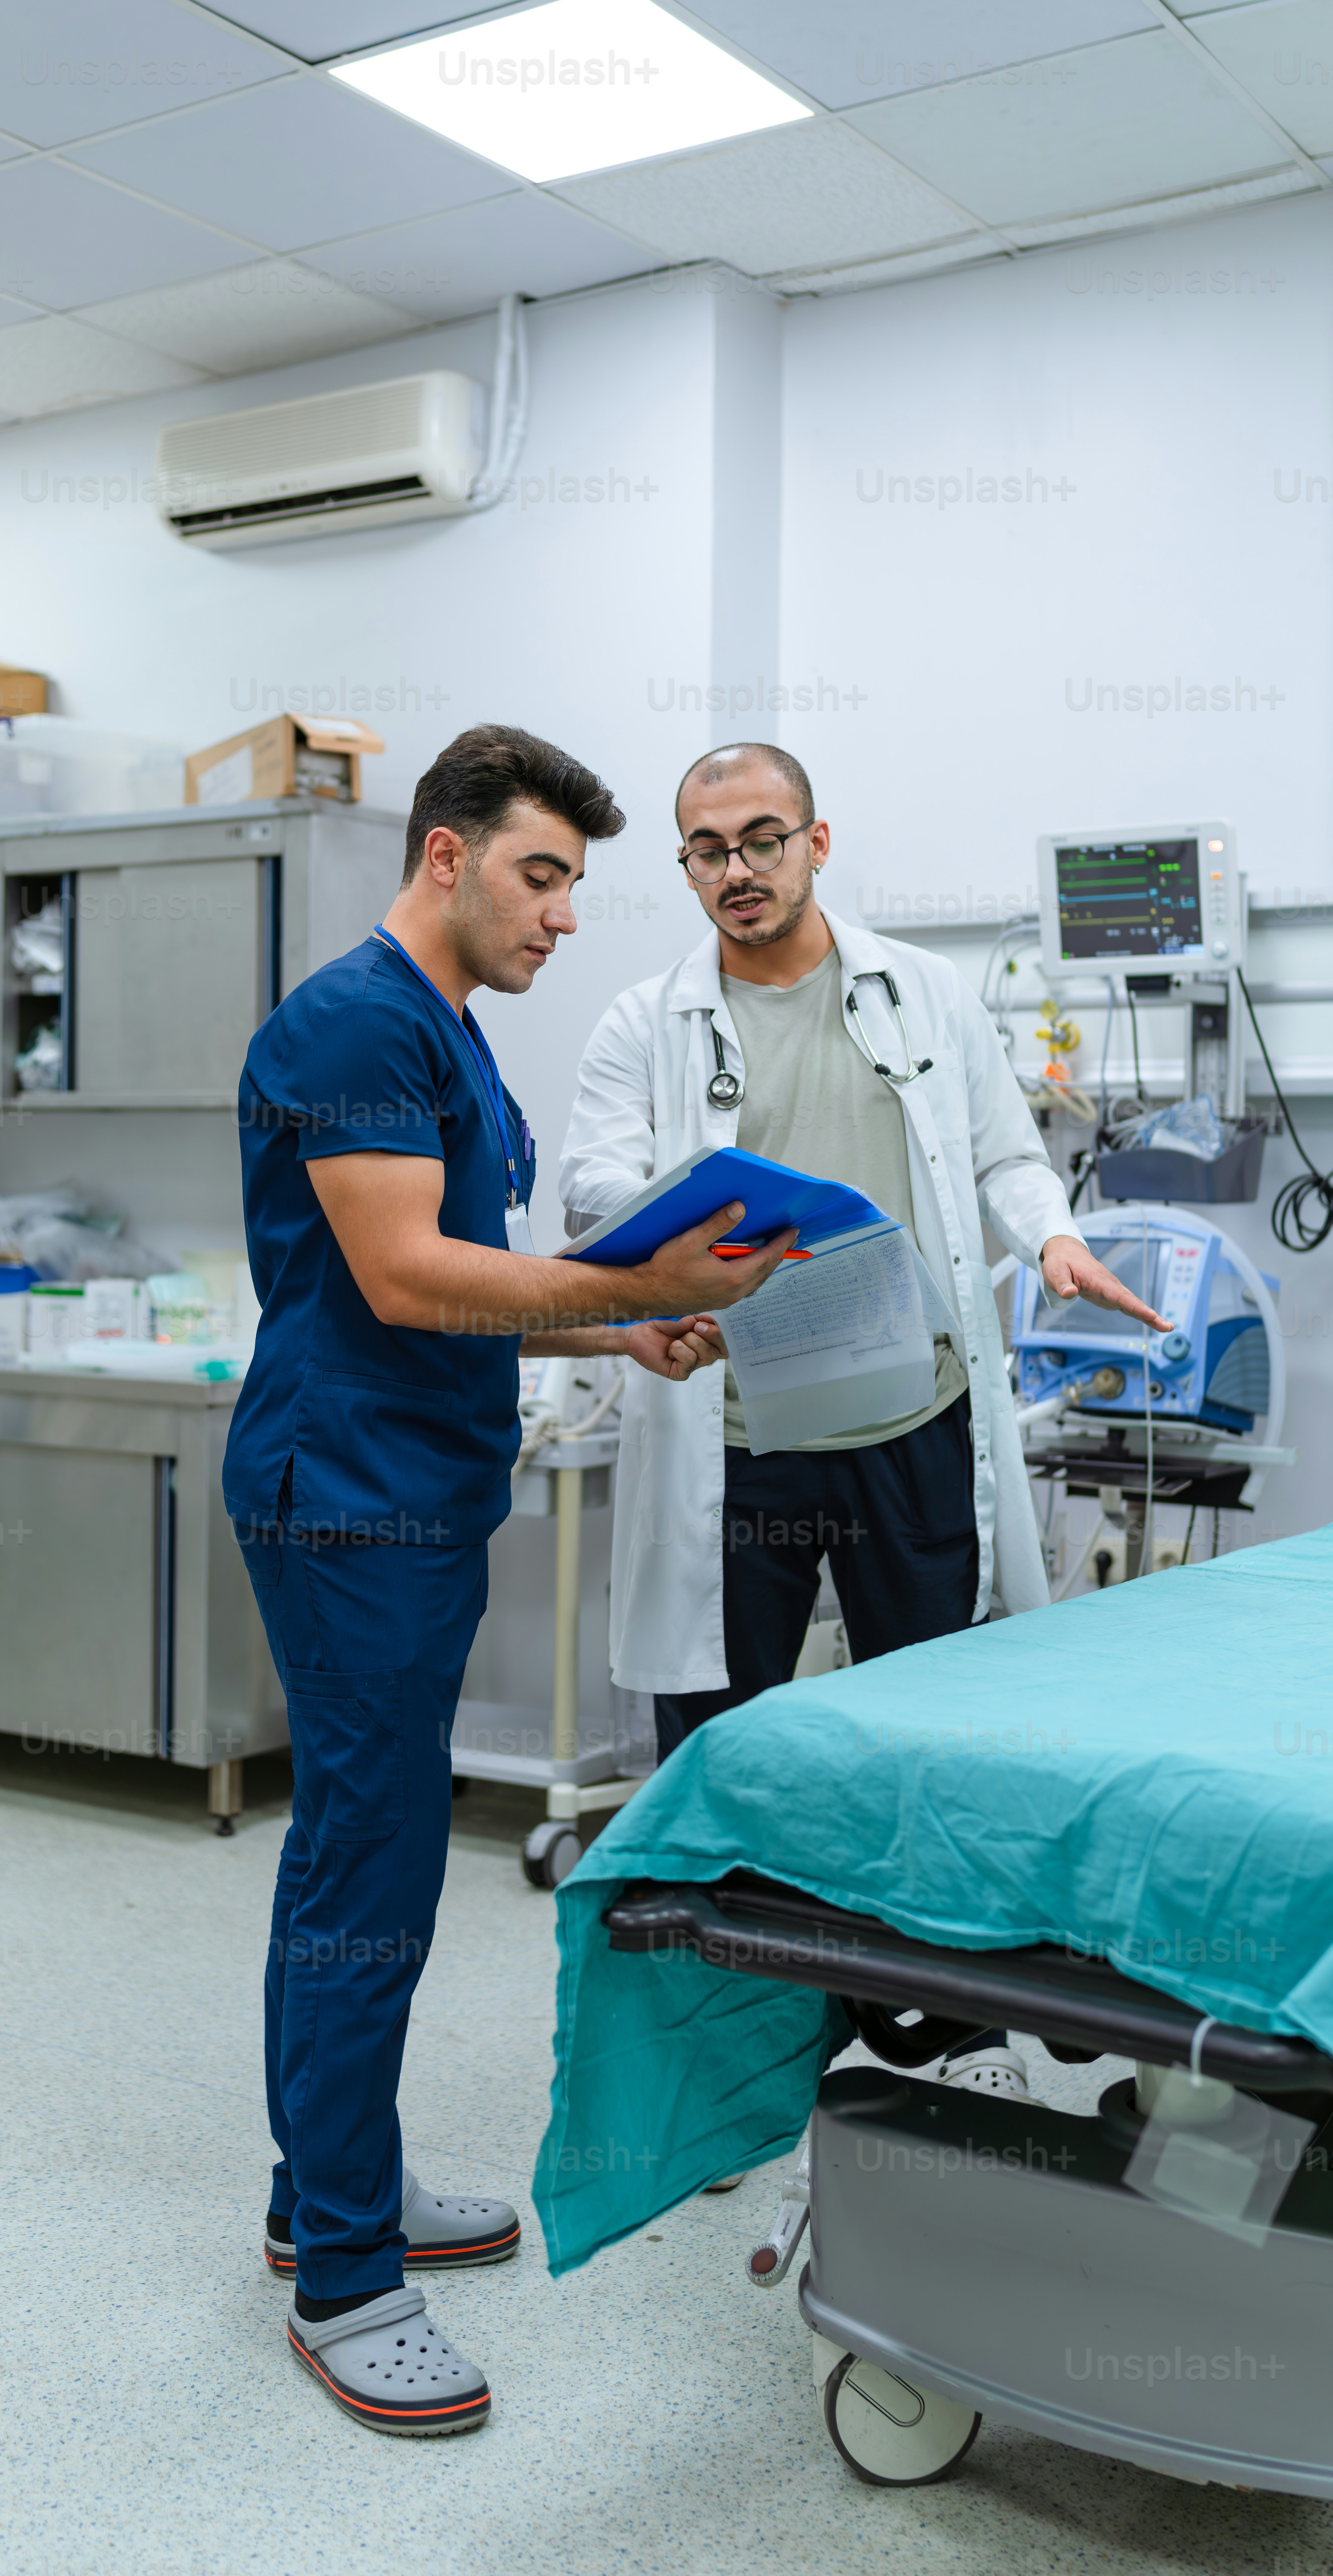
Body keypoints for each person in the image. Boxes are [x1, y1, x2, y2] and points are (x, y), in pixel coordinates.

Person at [223, 726, 792, 2440]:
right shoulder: (350, 1024)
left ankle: (325, 2188)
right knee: (366, 1870)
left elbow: (469, 1273)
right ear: (448, 857)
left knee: (364, 1853)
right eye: (543, 876)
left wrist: (628, 1319)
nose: (563, 917)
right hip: (351, 1499)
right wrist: (622, 1282)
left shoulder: (448, 1037)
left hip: (417, 1491)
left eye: (575, 884)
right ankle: (341, 2273)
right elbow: (401, 1279)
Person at [558, 739, 1167, 1851]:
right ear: (687, 868)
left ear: (816, 844)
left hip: (909, 1420)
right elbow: (589, 1183)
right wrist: (682, 1200)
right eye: (708, 851)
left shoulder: (923, 991)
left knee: (931, 1716)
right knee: (720, 1732)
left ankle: (931, 2017)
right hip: (736, 1440)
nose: (738, 869)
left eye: (763, 841)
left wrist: (1055, 1242)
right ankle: (741, 1995)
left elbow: (1006, 1159)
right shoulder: (644, 1022)